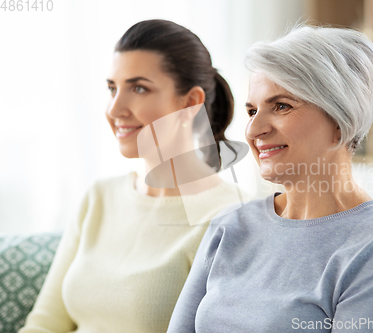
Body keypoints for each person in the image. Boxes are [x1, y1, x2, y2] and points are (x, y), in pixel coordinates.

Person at [167, 26, 373, 333]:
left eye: (281, 106)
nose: (253, 130)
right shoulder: (229, 226)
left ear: (340, 123)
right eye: (252, 110)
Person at [20, 19, 242, 333]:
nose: (115, 109)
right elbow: (44, 324)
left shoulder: (231, 217)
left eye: (138, 88)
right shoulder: (98, 198)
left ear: (190, 103)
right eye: (112, 88)